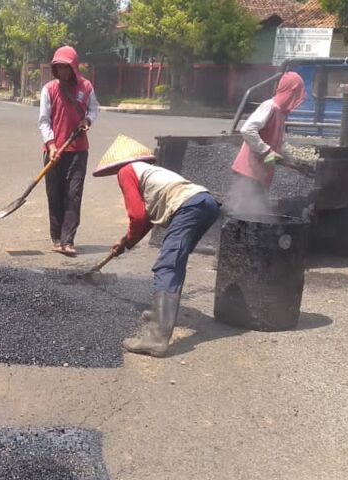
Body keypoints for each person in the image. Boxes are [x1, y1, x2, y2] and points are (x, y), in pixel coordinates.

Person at [93, 135, 221, 357]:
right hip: (205, 203)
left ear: (117, 164)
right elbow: (144, 222)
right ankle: (159, 314)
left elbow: (138, 216)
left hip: (189, 207)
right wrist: (125, 242)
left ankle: (156, 338)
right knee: (174, 262)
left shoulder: (127, 171)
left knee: (168, 266)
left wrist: (129, 241)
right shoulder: (148, 171)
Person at [39, 45, 99, 257]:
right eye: (59, 68)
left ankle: (68, 240)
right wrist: (52, 145)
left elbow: (94, 109)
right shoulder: (49, 90)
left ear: (74, 67)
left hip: (78, 150)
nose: (63, 72)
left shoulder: (86, 88)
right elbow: (44, 121)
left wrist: (88, 120)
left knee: (73, 195)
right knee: (54, 195)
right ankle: (57, 239)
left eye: (67, 67)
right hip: (54, 152)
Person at [231, 72, 306, 196]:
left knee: (257, 208)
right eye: (296, 93)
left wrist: (291, 160)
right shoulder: (269, 107)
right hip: (249, 171)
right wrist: (266, 150)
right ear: (289, 91)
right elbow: (247, 130)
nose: (297, 98)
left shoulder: (281, 113)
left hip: (262, 173)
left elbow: (276, 143)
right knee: (243, 208)